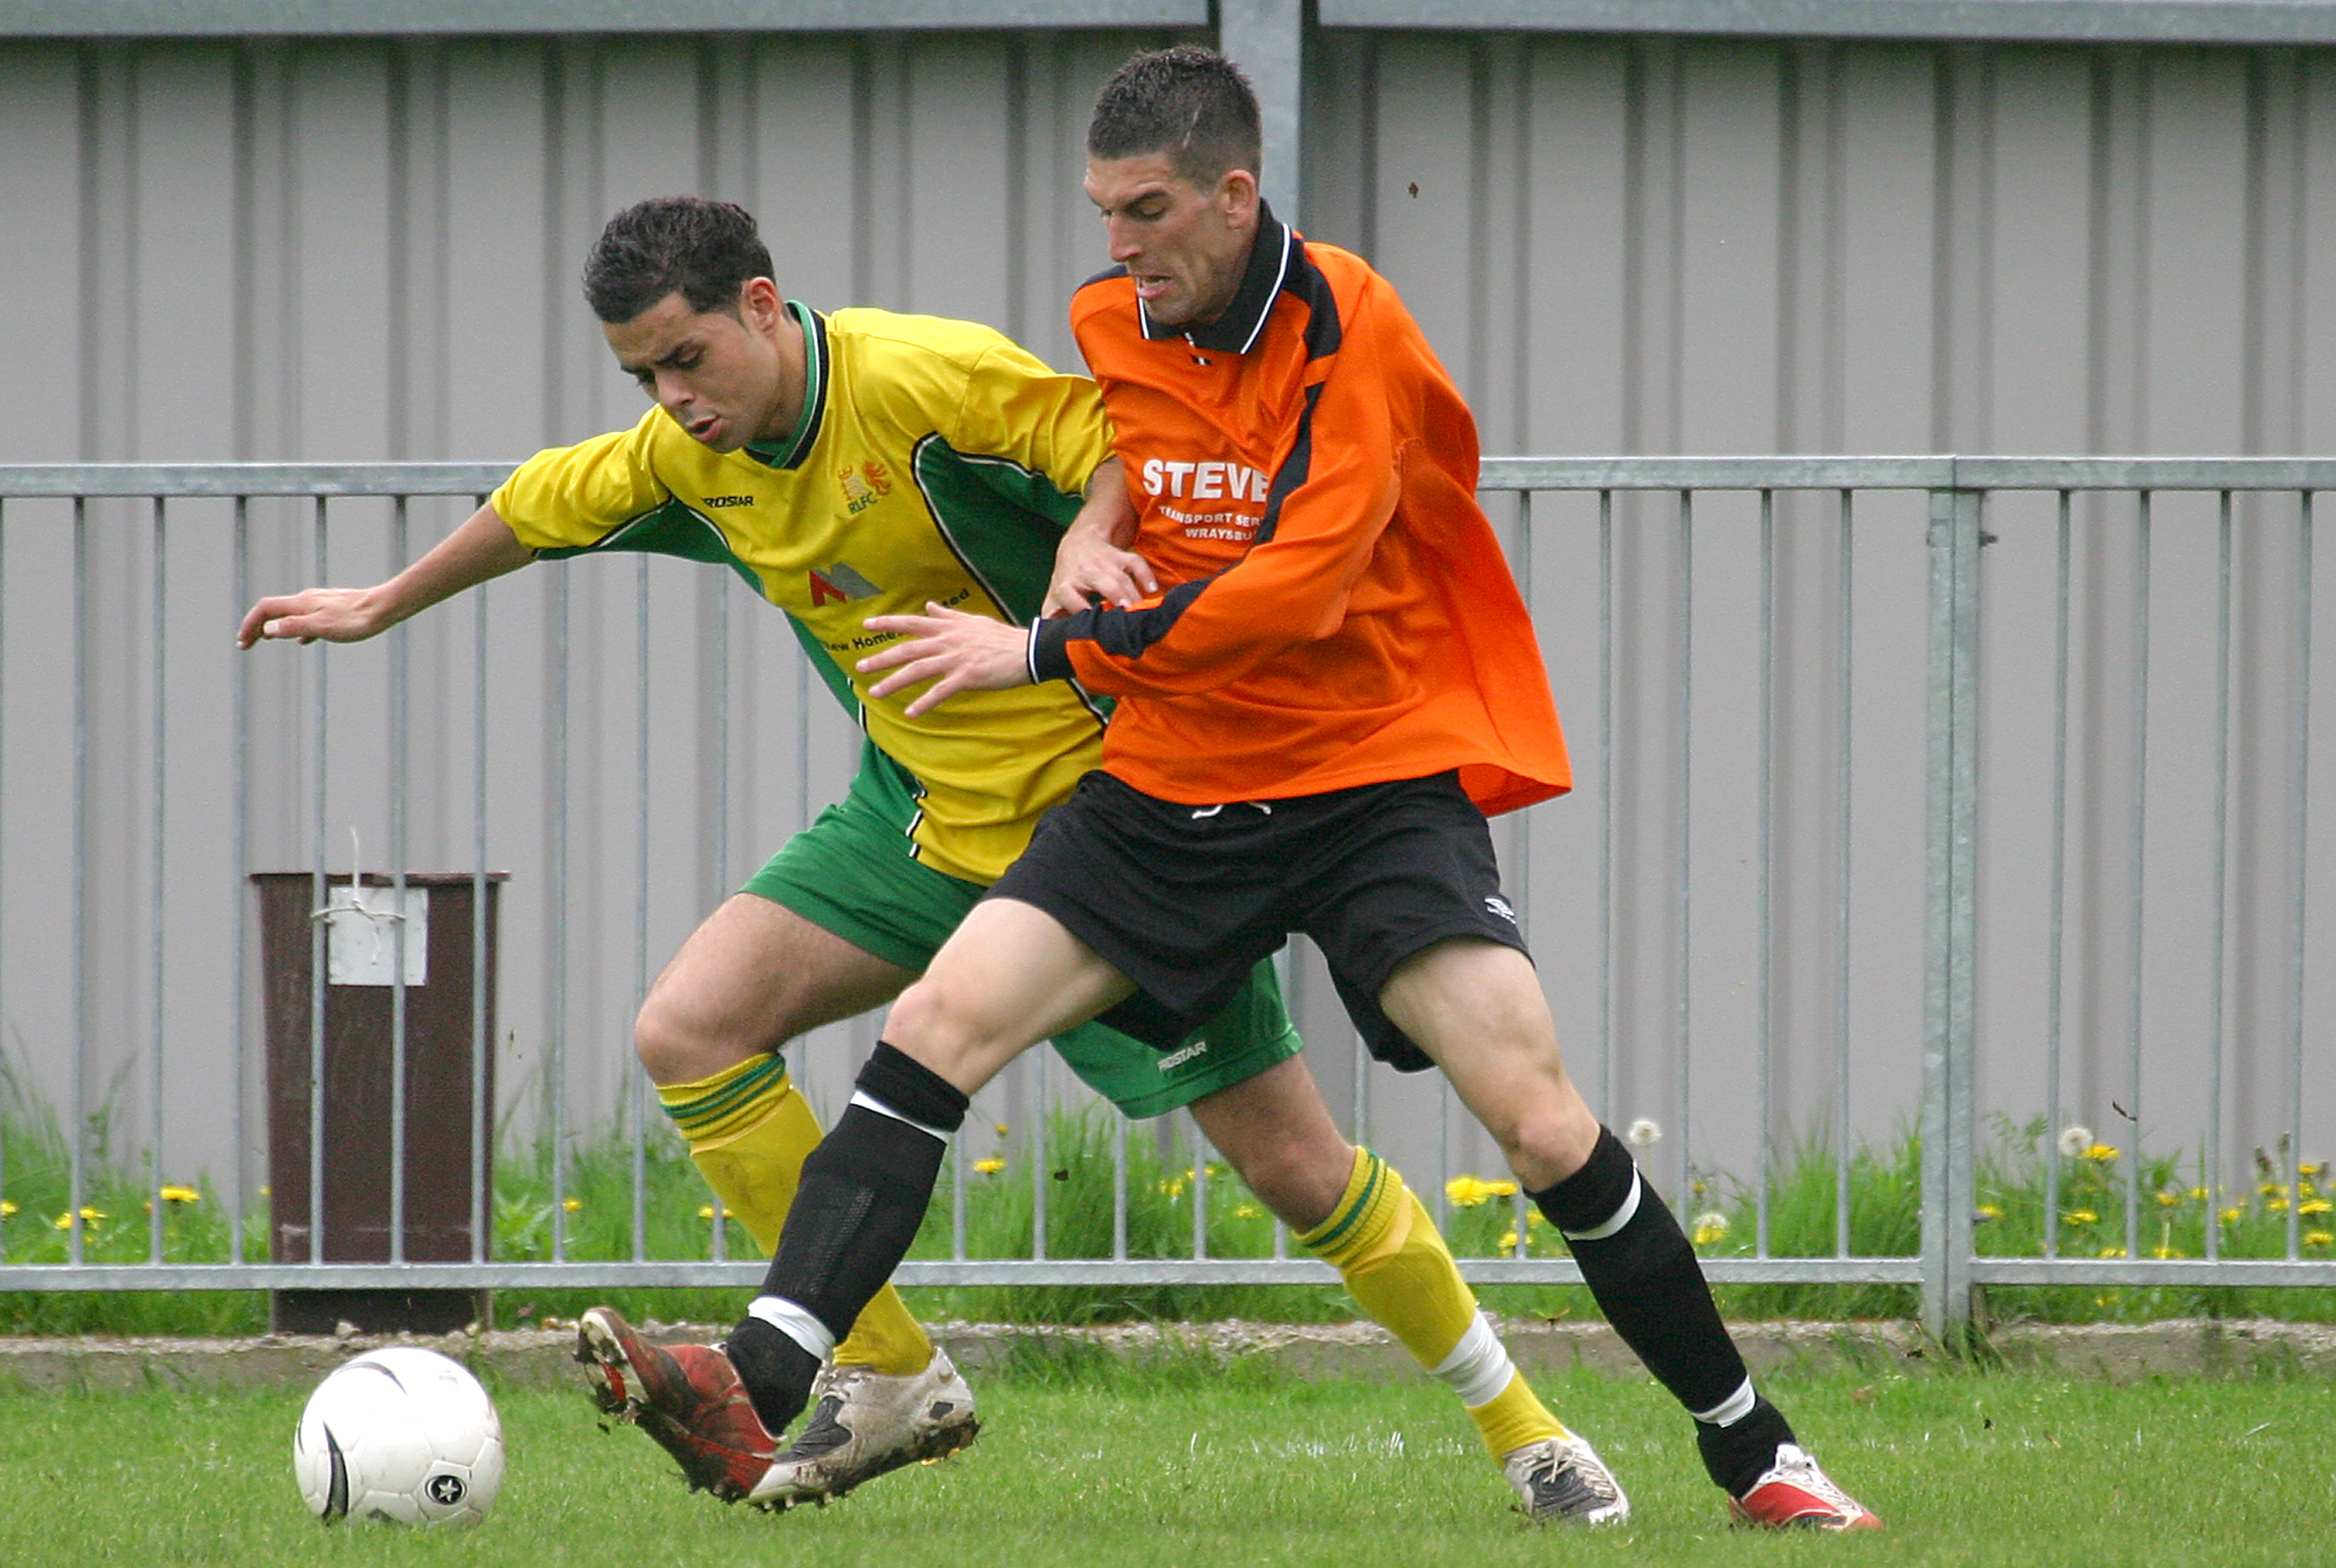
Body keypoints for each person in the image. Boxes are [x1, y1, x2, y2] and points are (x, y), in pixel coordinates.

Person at [239, 194, 1612, 1521]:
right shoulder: (686, 455)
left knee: (1299, 1172)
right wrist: (380, 602)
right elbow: (542, 503)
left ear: (763, 308)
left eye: (688, 358)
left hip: (1112, 839)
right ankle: (891, 1371)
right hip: (921, 823)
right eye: (642, 374)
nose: (671, 398)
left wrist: (1086, 533)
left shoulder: (922, 381)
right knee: (690, 1029)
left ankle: (1525, 1427)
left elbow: (1133, 436)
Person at [716, 50, 1882, 1531]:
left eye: (1145, 210)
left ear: (1233, 193)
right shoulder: (1110, 318)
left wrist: (1047, 645)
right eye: (1101, 212)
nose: (1119, 244)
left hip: (1367, 781)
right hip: (1173, 784)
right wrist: (1095, 522)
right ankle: (753, 1377)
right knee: (935, 1026)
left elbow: (1297, 590)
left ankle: (1756, 1455)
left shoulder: (1350, 326)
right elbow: (1142, 451)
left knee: (1534, 1120)